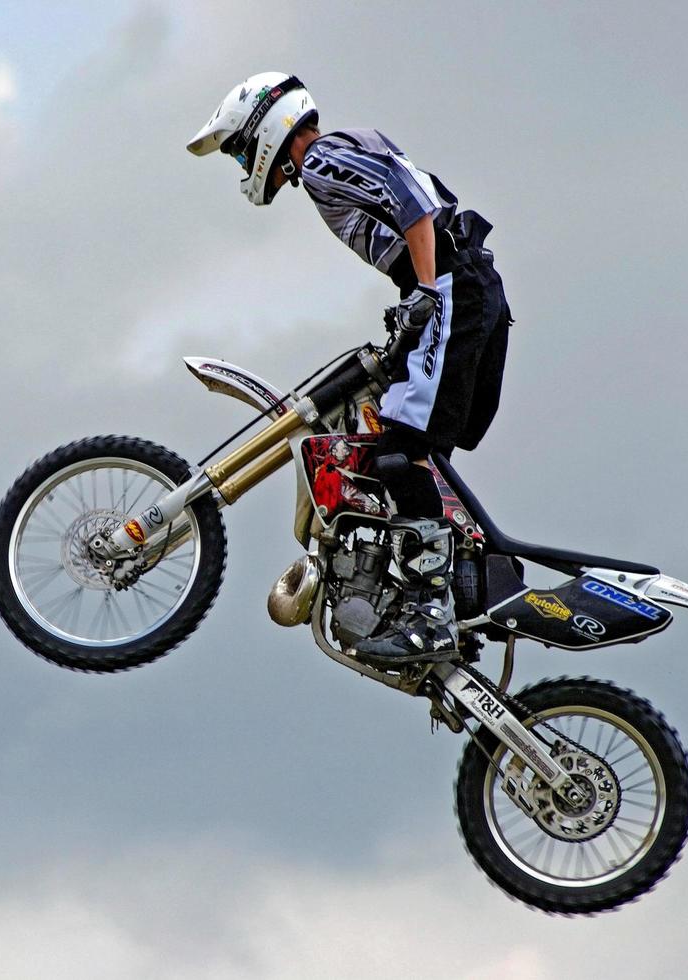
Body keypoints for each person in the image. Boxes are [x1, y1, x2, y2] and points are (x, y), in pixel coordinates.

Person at [187, 72, 512, 665]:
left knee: (397, 450)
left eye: (240, 146)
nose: (241, 160)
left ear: (267, 125)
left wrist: (428, 293)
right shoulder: (342, 151)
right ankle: (460, 578)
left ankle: (428, 611)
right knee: (422, 444)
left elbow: (411, 204)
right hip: (471, 285)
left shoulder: (320, 160)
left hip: (451, 285)